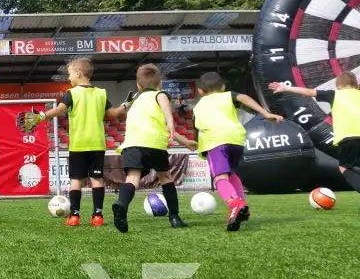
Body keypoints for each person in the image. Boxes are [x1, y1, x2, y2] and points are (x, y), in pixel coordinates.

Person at [21, 59, 128, 227]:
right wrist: (125, 106)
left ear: (79, 73)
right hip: (98, 144)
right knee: (97, 179)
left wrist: (41, 116)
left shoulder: (72, 93)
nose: (69, 78)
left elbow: (60, 110)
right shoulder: (101, 93)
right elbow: (114, 114)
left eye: (69, 73)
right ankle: (98, 216)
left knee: (76, 180)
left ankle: (74, 216)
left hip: (78, 144)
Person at [112, 64, 198, 233]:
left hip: (132, 144)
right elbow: (166, 117)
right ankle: (174, 217)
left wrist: (184, 141)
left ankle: (121, 204)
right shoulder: (160, 95)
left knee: (132, 179)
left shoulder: (135, 102)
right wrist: (173, 124)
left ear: (138, 85)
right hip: (154, 144)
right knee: (166, 178)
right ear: (160, 83)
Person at [194, 72, 283, 231]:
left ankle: (235, 204)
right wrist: (265, 113)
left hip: (214, 141)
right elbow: (244, 98)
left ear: (200, 91)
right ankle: (243, 206)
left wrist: (193, 143)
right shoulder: (228, 95)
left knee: (220, 178)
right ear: (223, 87)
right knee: (232, 174)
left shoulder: (198, 106)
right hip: (236, 139)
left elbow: (197, 129)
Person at [269, 72, 360, 195]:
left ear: (338, 85)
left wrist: (285, 88)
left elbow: (307, 92)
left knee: (345, 167)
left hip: (348, 137)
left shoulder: (334, 94)